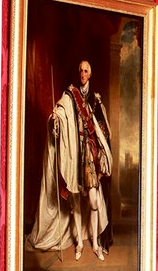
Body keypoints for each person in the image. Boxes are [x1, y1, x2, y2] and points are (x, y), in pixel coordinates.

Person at [28, 59, 114, 260]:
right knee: (75, 202)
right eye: (80, 71)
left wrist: (101, 150)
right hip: (74, 154)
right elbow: (59, 112)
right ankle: (79, 246)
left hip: (89, 156)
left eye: (86, 71)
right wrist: (55, 120)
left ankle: (94, 243)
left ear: (90, 74)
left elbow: (103, 131)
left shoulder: (95, 98)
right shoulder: (70, 95)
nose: (83, 74)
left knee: (93, 202)